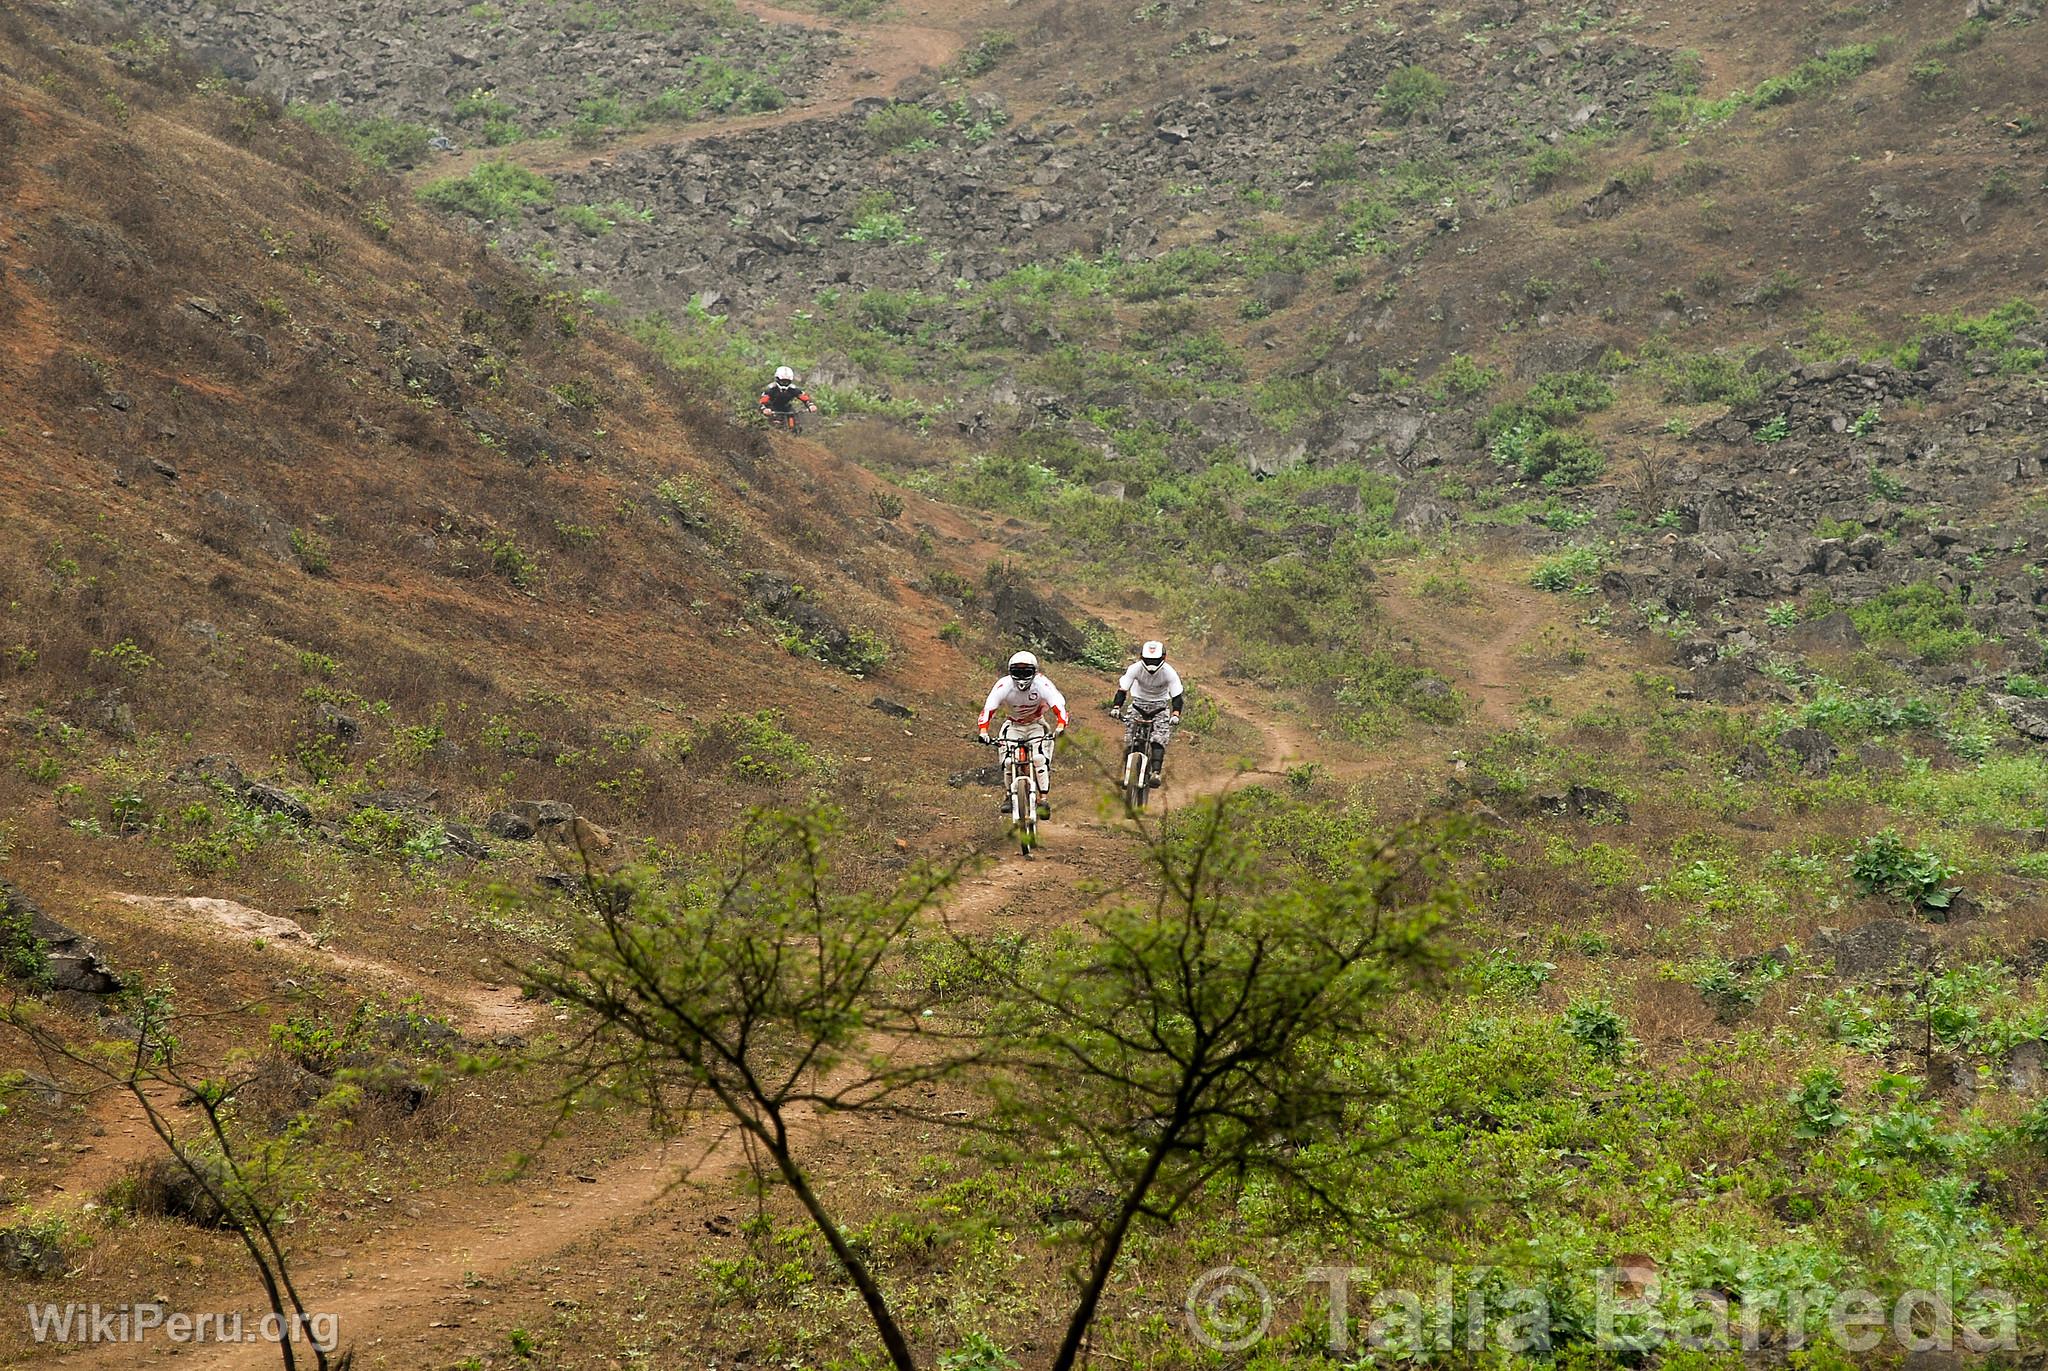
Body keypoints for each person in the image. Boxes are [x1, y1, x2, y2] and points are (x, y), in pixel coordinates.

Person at [977, 650, 1067, 818]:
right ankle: (1009, 796)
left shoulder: (1042, 684)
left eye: (1026, 672)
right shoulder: (1004, 685)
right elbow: (988, 708)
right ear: (1010, 673)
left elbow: (1058, 705)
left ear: (1034, 672)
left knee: (1039, 759)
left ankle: (1043, 799)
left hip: (1036, 724)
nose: (1021, 677)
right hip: (1013, 725)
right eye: (1017, 672)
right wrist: (983, 731)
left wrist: (1060, 726)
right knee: (1008, 761)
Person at [1111, 639, 1184, 787]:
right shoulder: (1134, 669)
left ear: (1164, 658)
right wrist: (1116, 707)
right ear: (1141, 657)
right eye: (1148, 660)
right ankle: (1128, 773)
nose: (1152, 665)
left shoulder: (1169, 673)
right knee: (1130, 739)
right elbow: (1122, 690)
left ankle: (1156, 773)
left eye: (1155, 660)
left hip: (1160, 707)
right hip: (1138, 704)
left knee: (1159, 738)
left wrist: (1175, 714)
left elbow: (1177, 697)